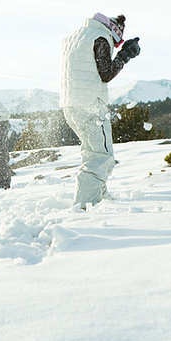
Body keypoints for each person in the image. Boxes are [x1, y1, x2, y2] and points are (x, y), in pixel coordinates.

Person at [60, 12, 140, 209]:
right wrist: (125, 56)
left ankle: (100, 197)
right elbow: (106, 73)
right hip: (92, 106)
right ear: (113, 30)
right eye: (117, 42)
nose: (115, 46)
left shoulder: (74, 37)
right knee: (101, 156)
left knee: (92, 152)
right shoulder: (100, 38)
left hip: (69, 105)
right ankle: (86, 203)